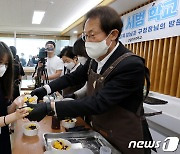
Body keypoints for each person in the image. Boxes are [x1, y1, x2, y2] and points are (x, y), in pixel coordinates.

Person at [27, 6, 153, 154]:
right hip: (100, 131)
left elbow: (99, 102)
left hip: (124, 136)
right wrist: (45, 89)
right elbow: (72, 77)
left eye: (92, 35)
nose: (88, 42)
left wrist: (50, 107)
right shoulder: (95, 59)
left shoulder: (130, 65)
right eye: (85, 36)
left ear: (113, 34)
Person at [0, 42, 29, 154]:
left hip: (3, 135)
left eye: (6, 64)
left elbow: (4, 112)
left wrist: (14, 104)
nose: (3, 67)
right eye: (0, 62)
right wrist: (15, 116)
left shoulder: (2, 83)